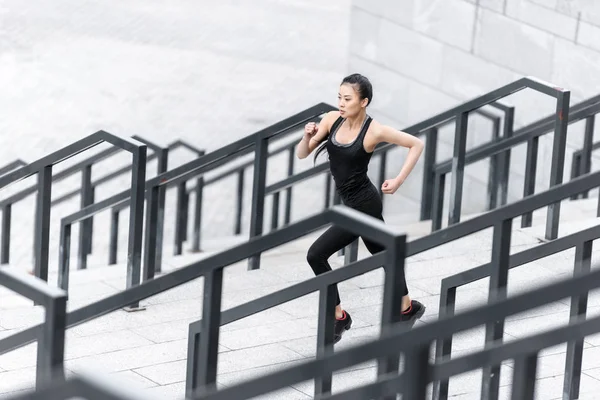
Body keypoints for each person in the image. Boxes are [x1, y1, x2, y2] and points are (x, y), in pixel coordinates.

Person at [296, 73, 426, 343]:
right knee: (384, 253)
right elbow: (303, 153)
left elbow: (416, 143)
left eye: (347, 99)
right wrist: (306, 136)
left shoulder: (374, 130)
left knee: (316, 254)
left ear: (364, 101)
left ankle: (339, 317)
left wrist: (399, 180)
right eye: (339, 98)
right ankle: (407, 308)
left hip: (363, 205)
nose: (341, 103)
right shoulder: (332, 120)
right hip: (353, 202)